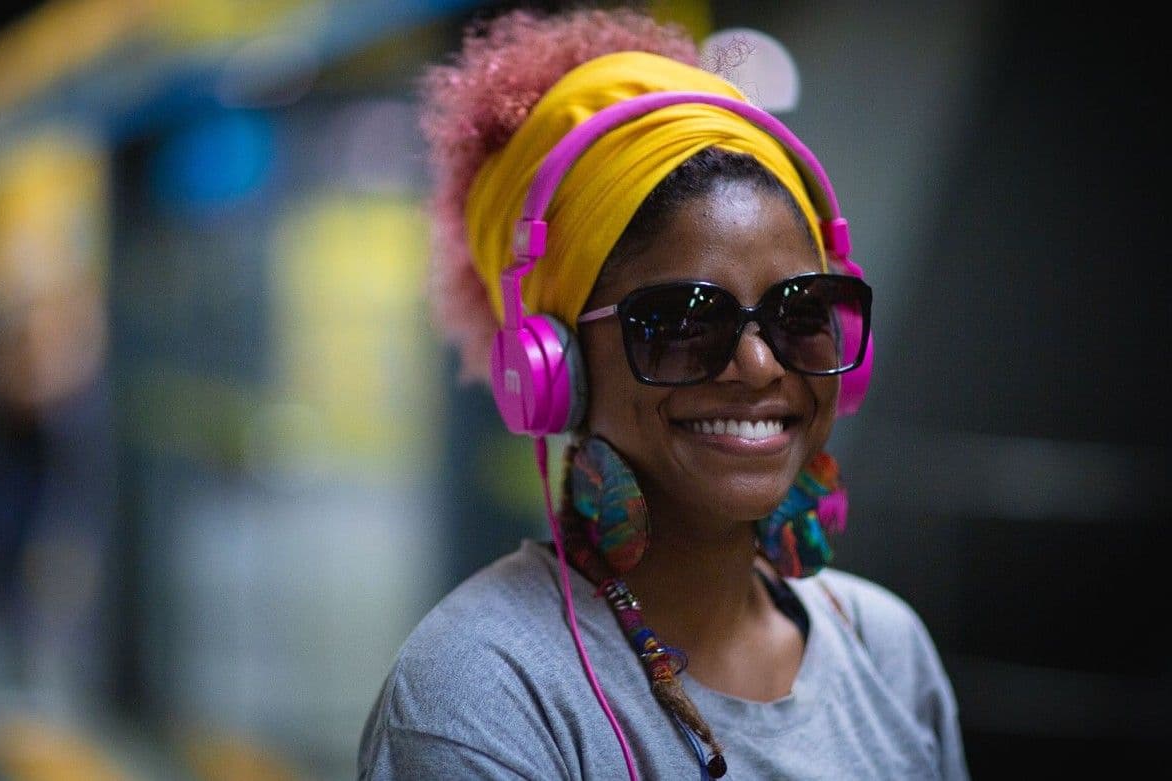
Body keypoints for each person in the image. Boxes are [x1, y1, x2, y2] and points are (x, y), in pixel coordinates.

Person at [359, 7, 969, 780]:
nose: (757, 365)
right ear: (553, 366)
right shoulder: (482, 693)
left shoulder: (888, 646)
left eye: (801, 312)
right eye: (683, 321)